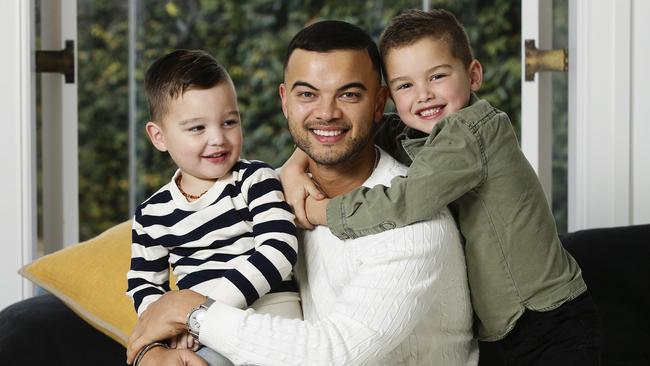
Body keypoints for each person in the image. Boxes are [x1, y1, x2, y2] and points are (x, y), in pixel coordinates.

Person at [126, 20, 478, 366]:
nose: (326, 113)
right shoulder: (270, 192)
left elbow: (333, 354)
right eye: (308, 94)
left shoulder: (412, 222)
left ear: (378, 103)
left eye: (349, 94)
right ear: (285, 101)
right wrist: (151, 352)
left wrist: (190, 311)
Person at [282, 9, 602, 366]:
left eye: (437, 76)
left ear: (474, 74)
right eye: (405, 85)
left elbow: (404, 200)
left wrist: (319, 212)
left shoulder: (473, 131)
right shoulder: (415, 133)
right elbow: (340, 132)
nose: (423, 95)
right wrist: (295, 166)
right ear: (387, 98)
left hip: (548, 318)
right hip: (498, 330)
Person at [126, 49, 301, 366]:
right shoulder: (151, 215)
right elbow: (144, 283)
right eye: (197, 128)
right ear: (159, 136)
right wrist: (167, 327)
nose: (218, 138)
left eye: (229, 121)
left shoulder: (254, 180)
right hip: (200, 335)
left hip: (271, 321)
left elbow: (279, 250)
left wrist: (201, 311)